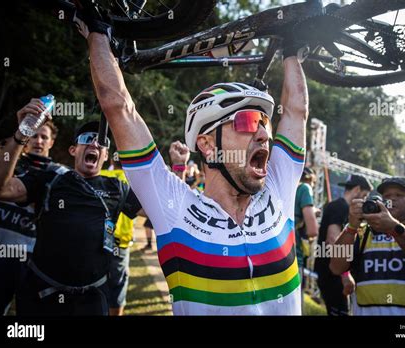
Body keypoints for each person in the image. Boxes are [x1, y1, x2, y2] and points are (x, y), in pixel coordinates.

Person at [75, 1, 316, 314]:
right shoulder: (176, 209)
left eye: (266, 124)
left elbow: (297, 113)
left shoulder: (278, 190)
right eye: (247, 123)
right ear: (206, 145)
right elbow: (119, 108)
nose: (264, 135)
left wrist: (292, 52)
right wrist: (98, 33)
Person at [0, 109, 143, 316]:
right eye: (87, 138)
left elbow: (162, 213)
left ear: (106, 155)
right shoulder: (50, 178)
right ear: (73, 150)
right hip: (41, 297)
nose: (94, 144)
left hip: (92, 300)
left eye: (102, 142)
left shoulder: (117, 187)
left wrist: (179, 168)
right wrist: (23, 132)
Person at [330, 176, 405, 315]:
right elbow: (336, 267)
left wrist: (394, 228)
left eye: (399, 195)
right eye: (386, 196)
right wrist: (351, 227)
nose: (392, 199)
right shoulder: (363, 232)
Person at [0, 121, 60, 316]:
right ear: (26, 139)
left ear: (52, 142)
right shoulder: (9, 162)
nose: (39, 141)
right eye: (34, 136)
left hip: (31, 257)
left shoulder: (58, 174)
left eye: (44, 137)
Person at [314, 174, 373, 315]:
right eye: (364, 196)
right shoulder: (341, 207)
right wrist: (345, 275)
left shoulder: (337, 206)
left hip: (330, 273)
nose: (364, 201)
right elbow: (332, 239)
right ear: (357, 189)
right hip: (332, 274)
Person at [100, 157, 135, 316]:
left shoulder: (100, 175)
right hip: (121, 242)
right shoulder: (130, 181)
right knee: (117, 286)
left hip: (99, 241)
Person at [294, 167, 318, 283]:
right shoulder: (304, 188)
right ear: (309, 179)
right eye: (313, 182)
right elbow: (313, 230)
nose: (313, 186)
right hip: (294, 259)